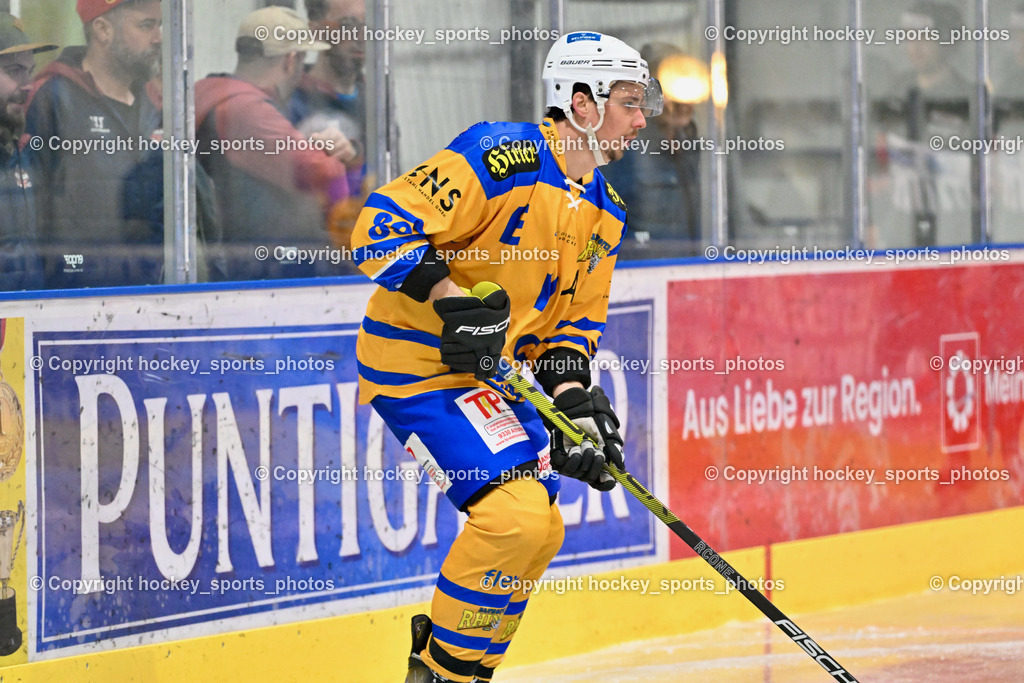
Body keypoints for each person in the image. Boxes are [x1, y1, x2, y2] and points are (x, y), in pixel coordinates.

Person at [349, 31, 662, 683]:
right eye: (630, 103)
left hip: (490, 379)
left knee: (540, 528)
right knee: (512, 517)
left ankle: (461, 672)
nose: (641, 121)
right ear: (582, 102)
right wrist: (449, 298)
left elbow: (571, 329)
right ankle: (439, 676)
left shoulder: (605, 212)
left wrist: (577, 406)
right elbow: (377, 228)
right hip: (416, 366)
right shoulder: (500, 156)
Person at [195, 6, 355, 280]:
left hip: (246, 262)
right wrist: (345, 158)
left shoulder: (211, 94)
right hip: (264, 270)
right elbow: (322, 174)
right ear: (290, 61)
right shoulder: (246, 109)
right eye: (302, 60)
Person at [24, 0, 164, 288]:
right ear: (103, 30)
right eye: (146, 25)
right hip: (72, 294)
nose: (158, 38)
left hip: (152, 291)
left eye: (159, 25)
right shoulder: (54, 98)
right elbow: (25, 209)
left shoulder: (157, 103)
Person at [603, 43, 703, 258]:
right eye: (669, 89)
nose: (681, 101)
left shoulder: (695, 148)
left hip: (693, 270)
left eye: (686, 85)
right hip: (640, 270)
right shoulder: (623, 149)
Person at [0, 13, 56, 291]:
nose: (28, 84)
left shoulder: (23, 154)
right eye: (14, 71)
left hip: (29, 312)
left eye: (29, 71)